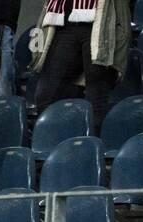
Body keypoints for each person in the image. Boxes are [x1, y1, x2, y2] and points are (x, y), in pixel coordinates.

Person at [32, 0, 132, 136]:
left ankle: (90, 148)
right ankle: (51, 146)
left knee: (96, 96)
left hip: (101, 24)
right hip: (63, 23)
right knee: (46, 94)